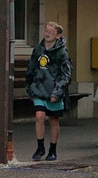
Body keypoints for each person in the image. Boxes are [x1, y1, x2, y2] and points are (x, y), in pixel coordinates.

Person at [26, 21, 71, 161]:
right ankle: (40, 147)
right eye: (46, 31)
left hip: (53, 90)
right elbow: (31, 68)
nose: (47, 34)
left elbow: (66, 74)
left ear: (58, 35)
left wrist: (57, 92)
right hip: (39, 88)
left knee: (53, 120)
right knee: (39, 116)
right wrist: (29, 87)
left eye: (51, 32)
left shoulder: (62, 52)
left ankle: (53, 149)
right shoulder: (38, 49)